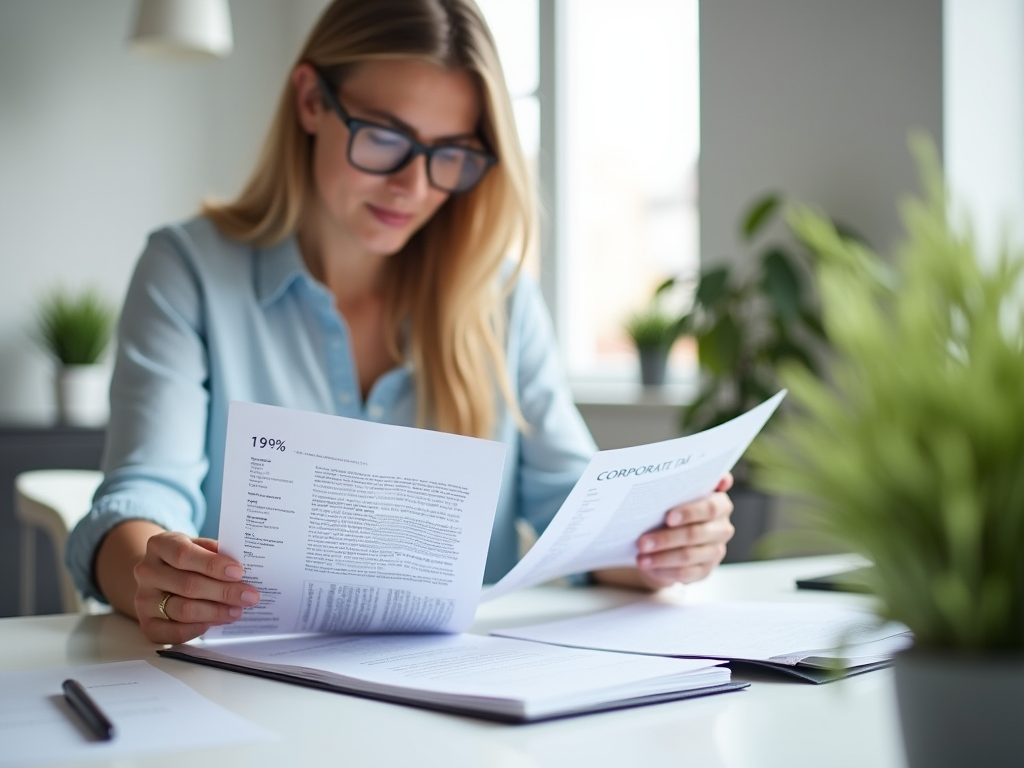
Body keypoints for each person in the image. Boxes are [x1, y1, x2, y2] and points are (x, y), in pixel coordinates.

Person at [66, 0, 735, 645]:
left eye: (451, 153)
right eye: (385, 138)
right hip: (249, 686)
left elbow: (572, 509)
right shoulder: (187, 272)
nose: (413, 186)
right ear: (310, 101)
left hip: (465, 701)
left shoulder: (498, 296)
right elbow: (141, 498)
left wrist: (664, 542)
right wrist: (156, 578)